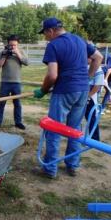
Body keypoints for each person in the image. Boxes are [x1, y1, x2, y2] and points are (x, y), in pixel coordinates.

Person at [32, 17, 103, 178]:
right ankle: (73, 165)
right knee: (74, 129)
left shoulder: (54, 45)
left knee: (53, 129)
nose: (45, 37)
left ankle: (50, 169)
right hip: (82, 90)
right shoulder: (79, 40)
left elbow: (52, 75)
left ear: (51, 31)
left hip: (64, 91)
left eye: (45, 33)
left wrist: (43, 90)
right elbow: (98, 57)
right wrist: (87, 78)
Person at [0, 35, 29, 130]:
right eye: (11, 45)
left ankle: (18, 122)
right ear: (7, 44)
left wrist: (17, 53)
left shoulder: (20, 52)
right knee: (1, 102)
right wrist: (4, 57)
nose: (12, 47)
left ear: (17, 44)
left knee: (17, 103)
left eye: (14, 45)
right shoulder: (2, 53)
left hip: (16, 82)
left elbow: (27, 63)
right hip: (5, 82)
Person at [85, 57, 105, 141]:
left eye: (88, 58)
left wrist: (88, 96)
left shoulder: (98, 70)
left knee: (91, 117)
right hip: (82, 94)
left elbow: (97, 86)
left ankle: (95, 138)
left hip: (90, 97)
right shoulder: (85, 66)